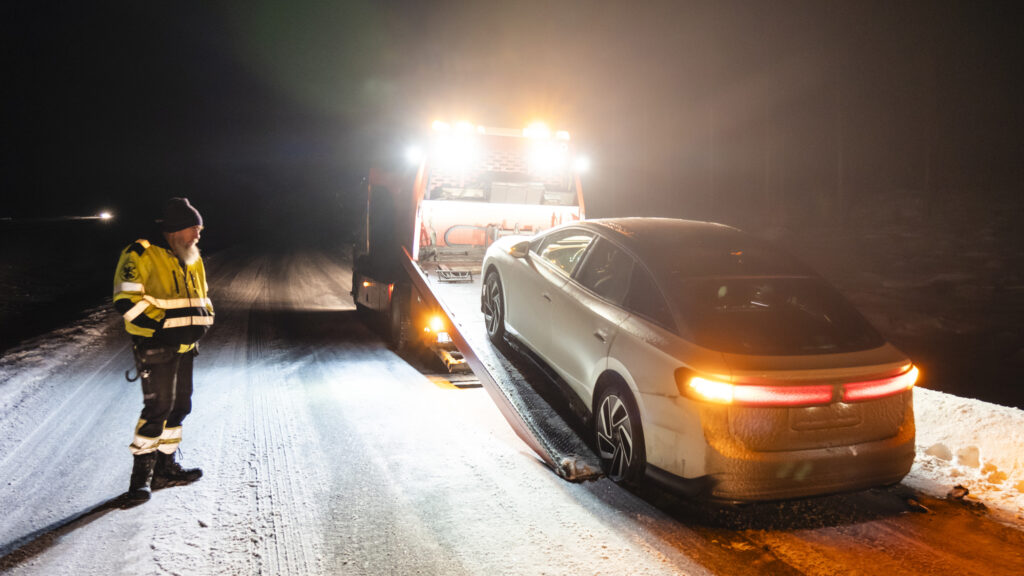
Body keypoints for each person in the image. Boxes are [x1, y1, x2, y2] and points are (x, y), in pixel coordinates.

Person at [112, 197, 214, 503]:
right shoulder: (139, 253)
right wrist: (163, 327)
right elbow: (126, 301)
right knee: (157, 410)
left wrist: (202, 322)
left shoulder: (192, 257)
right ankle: (139, 481)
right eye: (194, 229)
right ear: (176, 230)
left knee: (180, 407)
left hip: (186, 346)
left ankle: (165, 469)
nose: (198, 235)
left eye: (200, 229)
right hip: (156, 345)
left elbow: (202, 296)